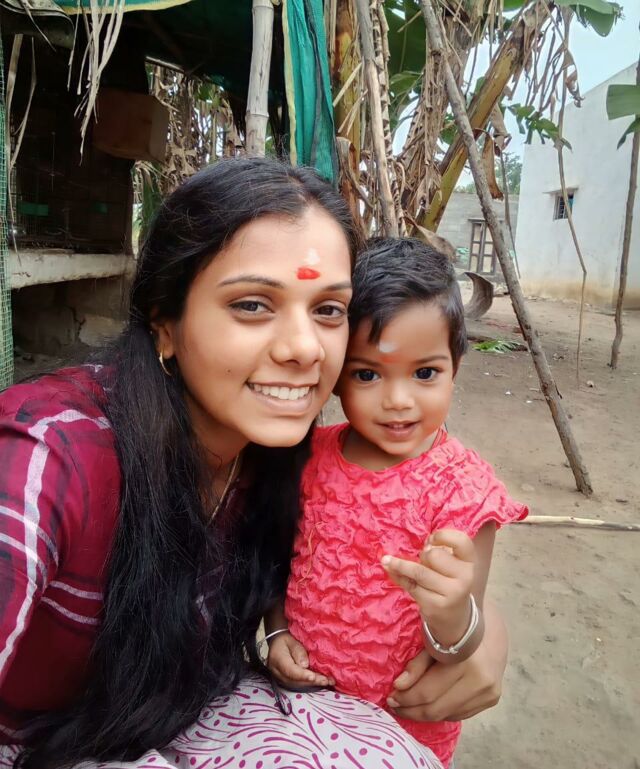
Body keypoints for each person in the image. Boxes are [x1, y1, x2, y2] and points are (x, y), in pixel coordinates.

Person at [0, 159, 507, 769]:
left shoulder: (273, 453)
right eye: (251, 304)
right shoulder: (46, 458)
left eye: (328, 310)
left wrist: (480, 630)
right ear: (164, 321)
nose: (303, 349)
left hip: (178, 712)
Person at [266, 238, 528, 767]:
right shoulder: (308, 458)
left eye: (425, 373)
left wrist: (452, 612)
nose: (398, 401)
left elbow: (460, 646)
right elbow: (279, 563)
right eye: (367, 374)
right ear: (337, 374)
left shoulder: (464, 492)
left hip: (405, 728)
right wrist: (276, 631)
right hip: (302, 709)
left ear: (455, 366)